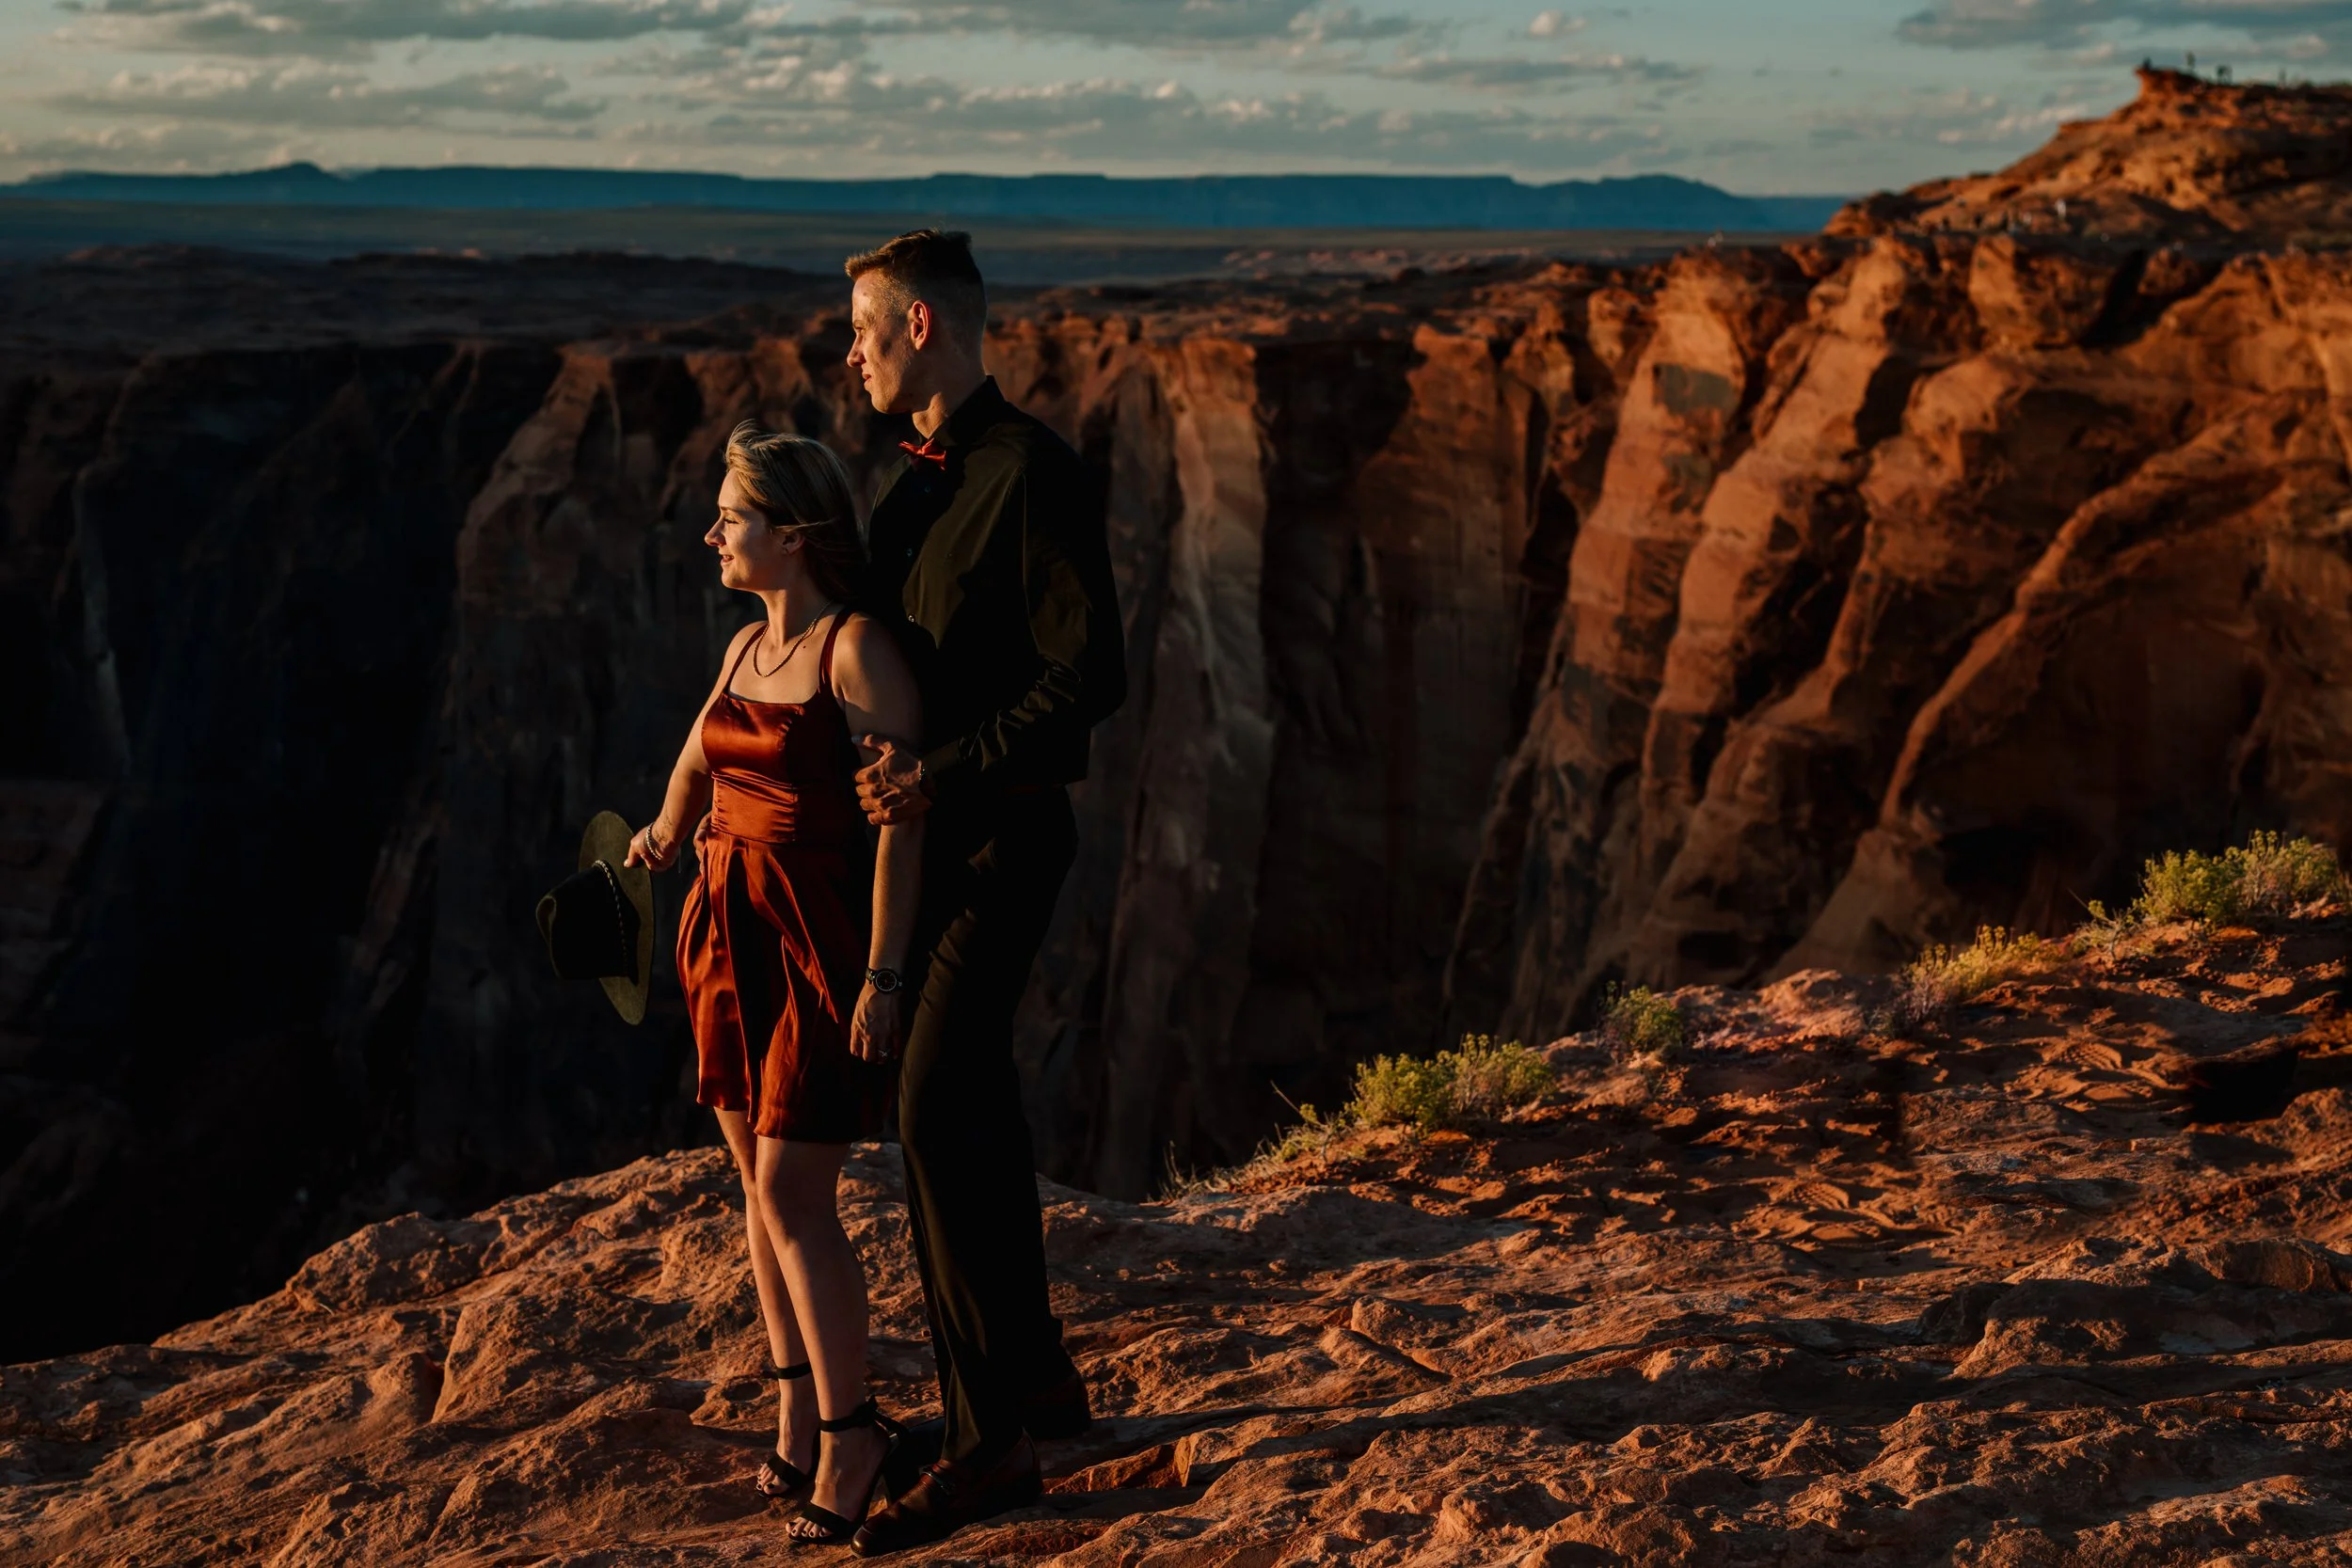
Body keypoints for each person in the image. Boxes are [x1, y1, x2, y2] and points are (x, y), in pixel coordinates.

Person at [835, 230, 1126, 1556]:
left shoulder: (1031, 475)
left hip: (1005, 836)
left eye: (859, 332)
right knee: (976, 1107)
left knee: (931, 1101)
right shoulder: (911, 488)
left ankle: (985, 1443)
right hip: (935, 846)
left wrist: (944, 769)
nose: (846, 357)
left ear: (918, 330)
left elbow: (1090, 676)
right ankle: (1041, 1385)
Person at [624, 424, 924, 1545]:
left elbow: (903, 828)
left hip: (813, 942)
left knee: (798, 1194)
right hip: (723, 928)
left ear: (791, 533)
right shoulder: (747, 646)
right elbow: (703, 756)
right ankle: (797, 1400)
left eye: (731, 516)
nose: (709, 532)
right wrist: (662, 835)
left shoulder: (856, 652)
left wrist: (884, 971)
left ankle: (855, 1430)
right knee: (756, 1186)